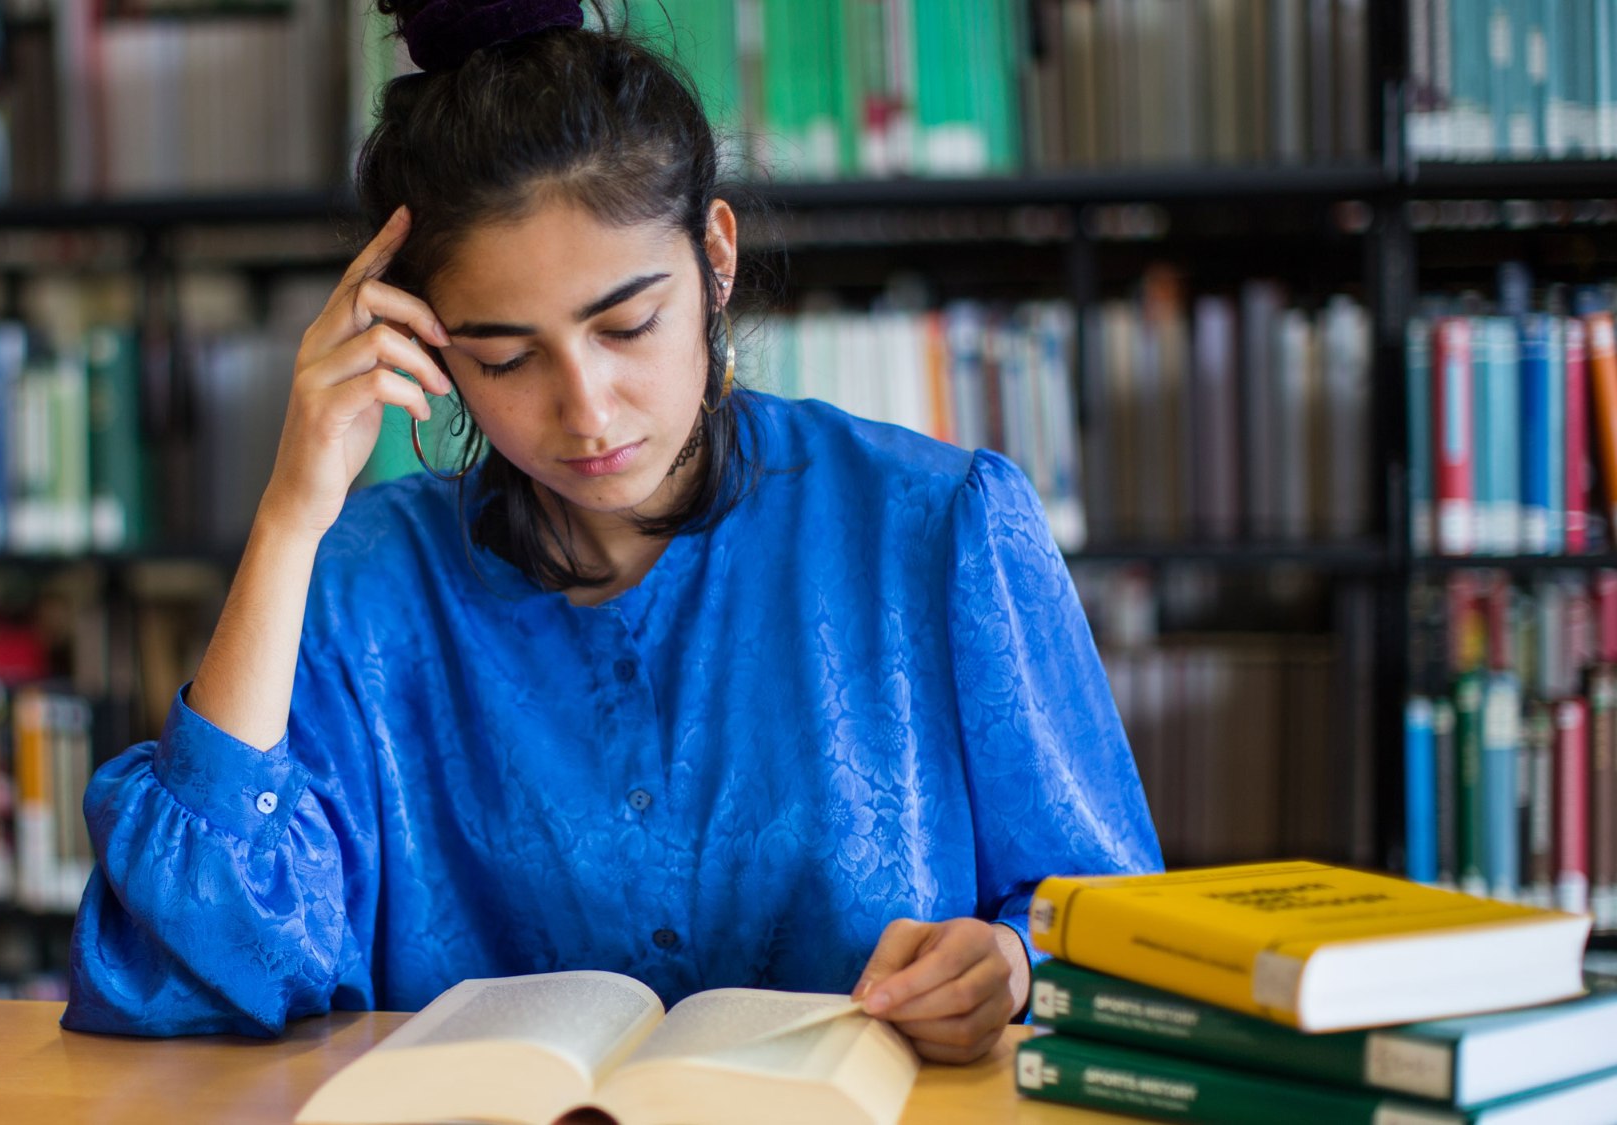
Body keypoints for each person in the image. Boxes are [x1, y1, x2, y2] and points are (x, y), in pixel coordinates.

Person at [61, 0, 1162, 1065]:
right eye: (501, 357)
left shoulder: (934, 530)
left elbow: (1112, 928)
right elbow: (186, 975)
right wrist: (290, 514)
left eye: (627, 325)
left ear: (714, 263)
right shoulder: (362, 592)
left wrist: (1012, 965)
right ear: (425, 344)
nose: (584, 412)